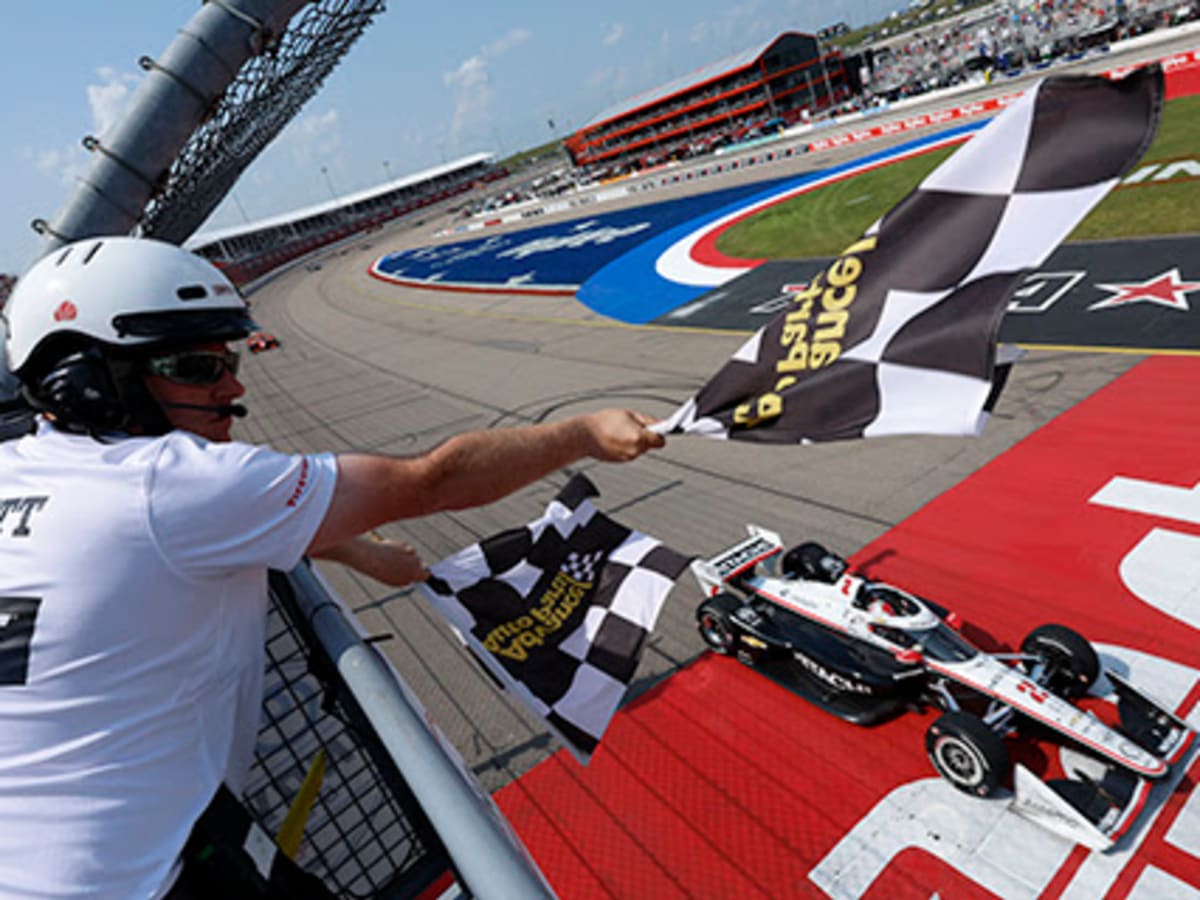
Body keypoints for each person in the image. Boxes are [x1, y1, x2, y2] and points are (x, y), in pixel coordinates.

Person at [0, 236, 665, 898]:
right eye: (198, 368)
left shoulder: (18, 471)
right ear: (87, 381)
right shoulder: (169, 485)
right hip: (135, 878)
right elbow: (431, 483)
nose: (232, 386)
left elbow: (196, 531)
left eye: (228, 360)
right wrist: (582, 434)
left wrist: (361, 551)